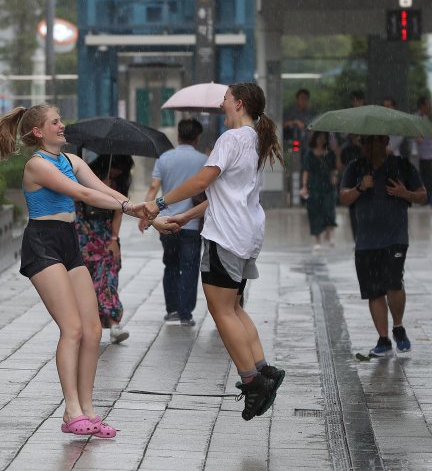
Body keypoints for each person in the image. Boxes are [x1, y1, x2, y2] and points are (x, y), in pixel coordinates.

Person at [0, 104, 167, 439]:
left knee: (93, 329)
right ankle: (71, 410)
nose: (62, 125)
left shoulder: (70, 161)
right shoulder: (37, 164)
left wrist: (136, 207)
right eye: (56, 122)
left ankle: (89, 410)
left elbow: (102, 188)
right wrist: (127, 206)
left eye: (61, 120)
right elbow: (82, 194)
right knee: (72, 329)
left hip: (69, 243)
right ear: (38, 131)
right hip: (43, 244)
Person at [142, 83, 286, 421]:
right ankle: (264, 370)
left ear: (238, 103)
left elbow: (201, 182)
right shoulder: (253, 140)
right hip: (245, 234)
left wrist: (160, 202)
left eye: (225, 100)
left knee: (220, 311)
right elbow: (222, 195)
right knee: (233, 306)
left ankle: (252, 382)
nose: (221, 105)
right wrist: (184, 215)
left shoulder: (232, 139)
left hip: (227, 236)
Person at [339, 135, 427, 357]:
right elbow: (344, 198)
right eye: (364, 142)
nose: (367, 146)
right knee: (374, 291)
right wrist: (361, 187)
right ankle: (383, 339)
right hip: (366, 240)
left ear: (385, 141)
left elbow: (423, 195)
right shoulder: (355, 167)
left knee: (394, 284)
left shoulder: (401, 165)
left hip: (395, 237)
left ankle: (398, 327)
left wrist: (404, 193)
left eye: (372, 141)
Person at [140, 118, 207, 326]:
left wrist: (145, 214)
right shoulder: (204, 160)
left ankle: (172, 310)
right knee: (189, 266)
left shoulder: (165, 158)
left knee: (170, 265)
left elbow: (153, 188)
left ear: (178, 136)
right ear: (197, 138)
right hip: (191, 223)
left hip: (166, 222)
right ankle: (186, 314)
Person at [75, 154, 134, 344]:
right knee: (87, 284)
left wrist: (114, 239)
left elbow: (118, 213)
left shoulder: (118, 186)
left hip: (106, 238)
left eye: (122, 171)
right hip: (84, 238)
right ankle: (88, 324)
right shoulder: (82, 179)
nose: (119, 173)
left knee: (108, 279)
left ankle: (113, 322)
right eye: (118, 168)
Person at [300, 131, 337, 249]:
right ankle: (317, 240)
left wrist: (334, 176)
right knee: (314, 212)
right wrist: (304, 186)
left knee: (329, 210)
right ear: (315, 139)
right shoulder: (309, 153)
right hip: (314, 186)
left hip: (327, 186)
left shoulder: (330, 154)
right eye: (319, 137)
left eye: (323, 138)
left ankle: (329, 234)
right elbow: (306, 170)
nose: (321, 140)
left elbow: (334, 169)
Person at [414, 96, 432, 199]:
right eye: (427, 105)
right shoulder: (416, 118)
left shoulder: (426, 118)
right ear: (422, 106)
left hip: (428, 153)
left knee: (428, 176)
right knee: (421, 176)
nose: (429, 108)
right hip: (418, 153)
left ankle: (427, 197)